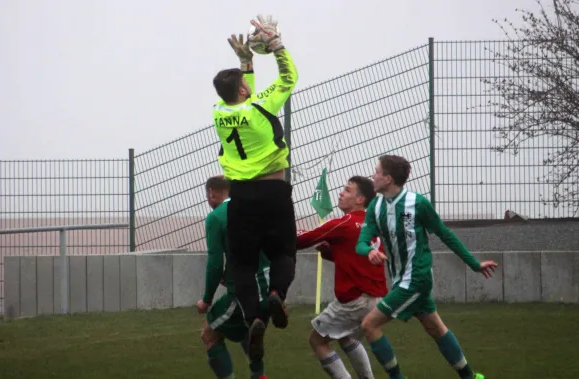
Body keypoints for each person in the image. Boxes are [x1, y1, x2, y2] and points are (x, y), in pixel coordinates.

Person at [355, 155, 498, 379]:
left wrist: (474, 264)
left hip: (417, 278)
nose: (372, 175)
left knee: (369, 325)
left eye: (376, 171)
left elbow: (445, 234)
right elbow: (361, 243)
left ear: (388, 178)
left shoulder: (418, 203)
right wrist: (370, 251)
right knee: (435, 328)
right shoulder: (375, 205)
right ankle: (469, 376)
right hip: (400, 279)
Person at [211, 14, 299, 361]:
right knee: (283, 253)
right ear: (245, 91)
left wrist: (245, 62)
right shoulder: (260, 106)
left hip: (241, 197)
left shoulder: (219, 111)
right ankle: (277, 294)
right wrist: (275, 45)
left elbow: (241, 94)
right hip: (274, 192)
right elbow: (289, 78)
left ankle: (254, 317)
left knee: (243, 266)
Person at [296, 176, 388, 379]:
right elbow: (354, 257)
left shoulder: (345, 222)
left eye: (347, 190)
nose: (341, 193)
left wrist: (280, 232)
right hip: (376, 299)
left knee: (317, 341)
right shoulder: (371, 224)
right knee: (346, 337)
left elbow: (302, 239)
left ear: (360, 200)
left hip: (354, 299)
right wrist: (330, 252)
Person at [197, 176, 270, 379]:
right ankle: (259, 375)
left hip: (244, 291)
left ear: (212, 192)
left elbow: (214, 264)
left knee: (209, 334)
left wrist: (207, 299)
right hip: (270, 287)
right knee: (246, 331)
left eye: (207, 194)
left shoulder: (217, 217)